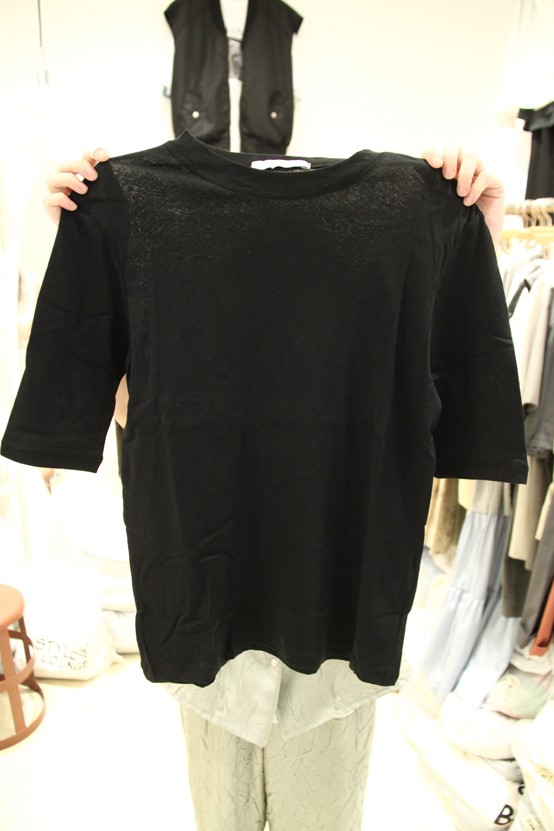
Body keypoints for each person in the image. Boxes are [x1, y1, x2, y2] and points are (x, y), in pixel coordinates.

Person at [40, 140, 507, 831]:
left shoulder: (415, 210)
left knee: (320, 813)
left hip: (336, 630)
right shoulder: (133, 204)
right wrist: (86, 235)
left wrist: (470, 229)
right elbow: (115, 404)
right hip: (209, 621)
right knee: (222, 815)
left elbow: (461, 389)